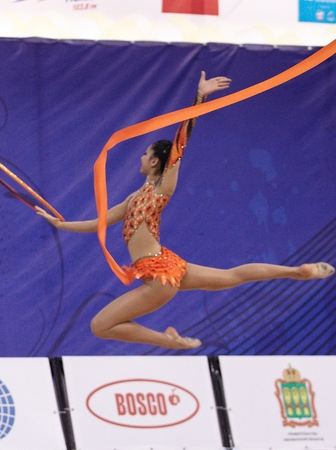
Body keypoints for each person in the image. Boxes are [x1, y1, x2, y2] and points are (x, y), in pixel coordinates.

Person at [37, 71, 334, 349]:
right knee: (231, 277)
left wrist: (199, 98)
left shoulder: (161, 189)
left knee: (100, 325)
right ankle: (297, 271)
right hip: (168, 264)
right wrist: (62, 224)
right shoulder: (133, 199)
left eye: (145, 154)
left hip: (158, 276)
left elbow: (180, 144)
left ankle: (169, 341)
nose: (141, 158)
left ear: (155, 162)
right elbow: (99, 222)